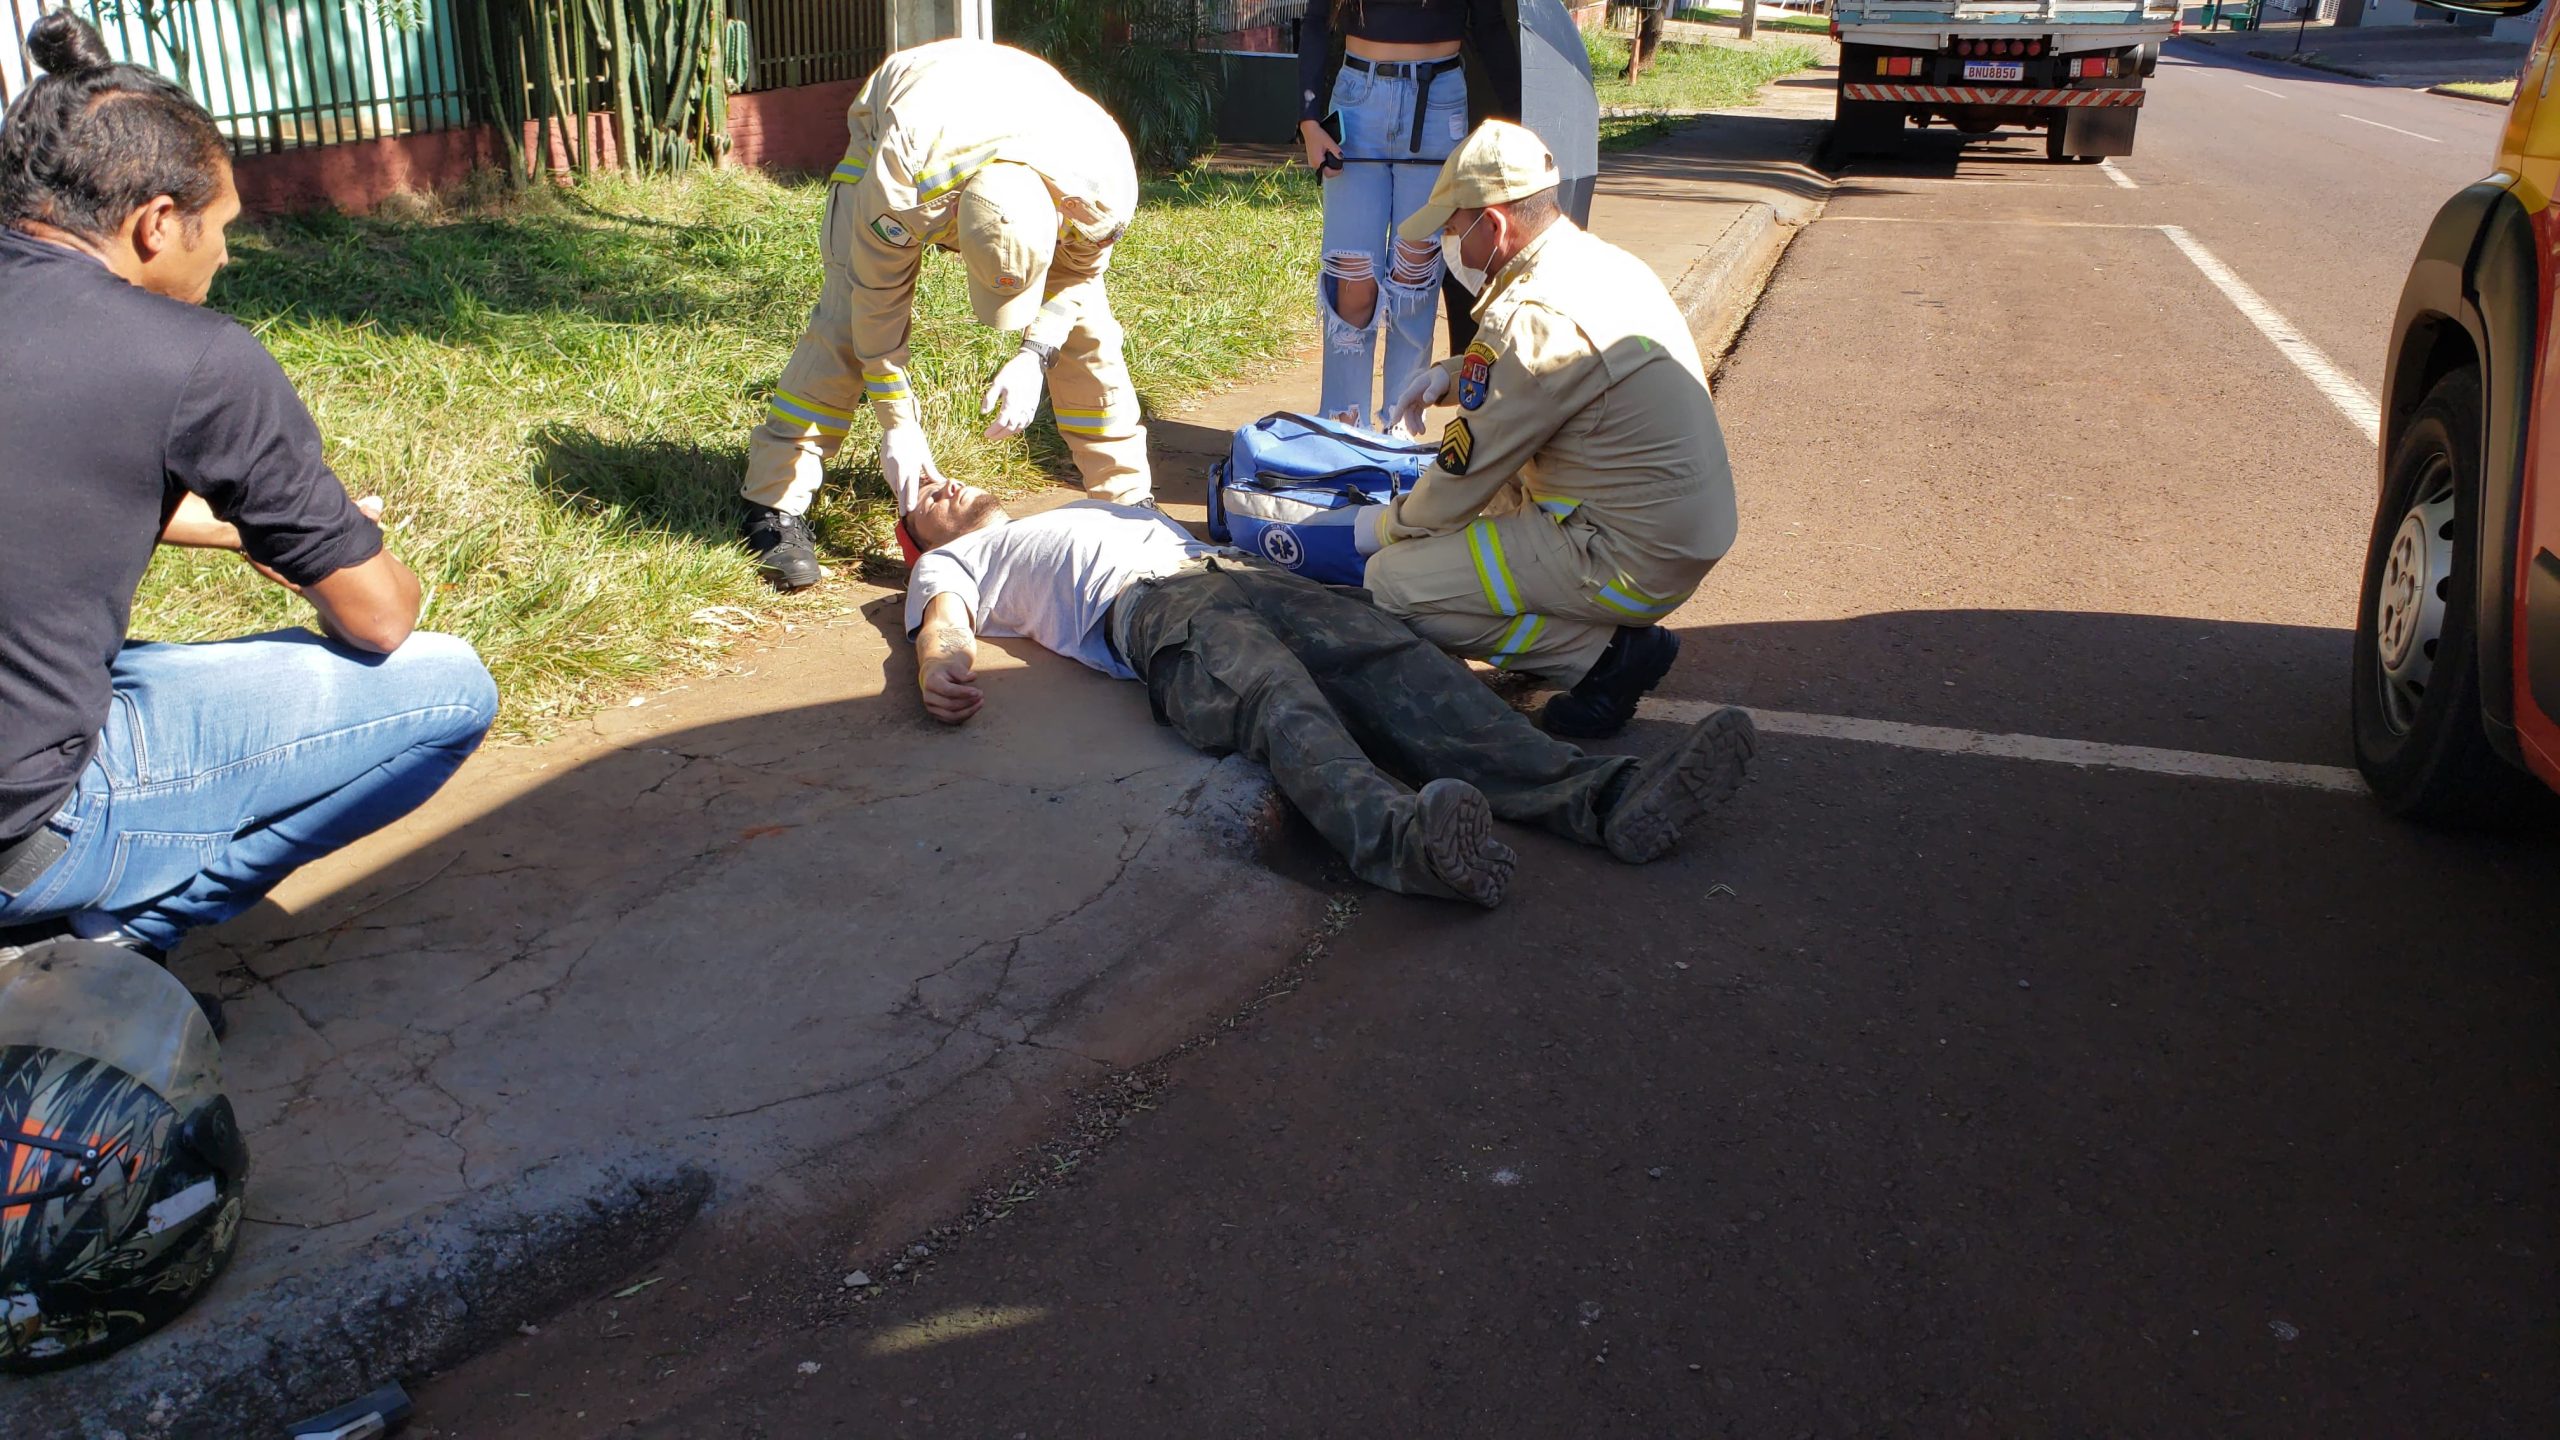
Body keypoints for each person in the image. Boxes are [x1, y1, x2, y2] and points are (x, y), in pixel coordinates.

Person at [0, 14, 498, 995]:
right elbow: (380, 616)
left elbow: (60, 484)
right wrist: (349, 546)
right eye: (220, 229)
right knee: (450, 686)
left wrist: (238, 533)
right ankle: (108, 940)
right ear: (155, 222)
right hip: (22, 825)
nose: (225, 257)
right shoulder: (191, 358)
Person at [902, 483, 1755, 908]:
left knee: (1401, 661)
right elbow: (945, 621)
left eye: (944, 476)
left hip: (1235, 572)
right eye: (923, 499)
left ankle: (1607, 799)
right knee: (1275, 699)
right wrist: (940, 666)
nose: (940, 486)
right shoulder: (957, 562)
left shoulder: (1079, 502)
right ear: (917, 541)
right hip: (1160, 611)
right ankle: (1405, 845)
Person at [1361, 119, 1738, 740]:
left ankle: (1602, 660)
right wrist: (1450, 376)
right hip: (1677, 527)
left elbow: (1456, 486)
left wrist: (1377, 529)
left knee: (1392, 583)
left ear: (1496, 224)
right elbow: (1551, 376)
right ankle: (1602, 640)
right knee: (1486, 521)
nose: (1451, 245)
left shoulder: (1530, 316)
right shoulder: (1599, 263)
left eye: (1455, 230)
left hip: (1626, 555)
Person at [741, 39, 1151, 590]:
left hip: (1035, 119)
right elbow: (876, 300)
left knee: (1087, 331)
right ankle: (772, 505)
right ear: (953, 216)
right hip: (908, 103)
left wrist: (1034, 355)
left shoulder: (1104, 188)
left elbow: (1078, 276)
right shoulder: (901, 178)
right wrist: (897, 425)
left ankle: (1130, 503)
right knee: (844, 322)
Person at [1298, 0, 1519, 429]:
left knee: (1415, 277)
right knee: (1353, 279)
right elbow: (1315, 20)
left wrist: (1516, 125)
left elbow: (1490, 26)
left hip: (1440, 103)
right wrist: (1308, 121)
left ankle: (1399, 432)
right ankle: (1343, 428)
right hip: (1358, 101)